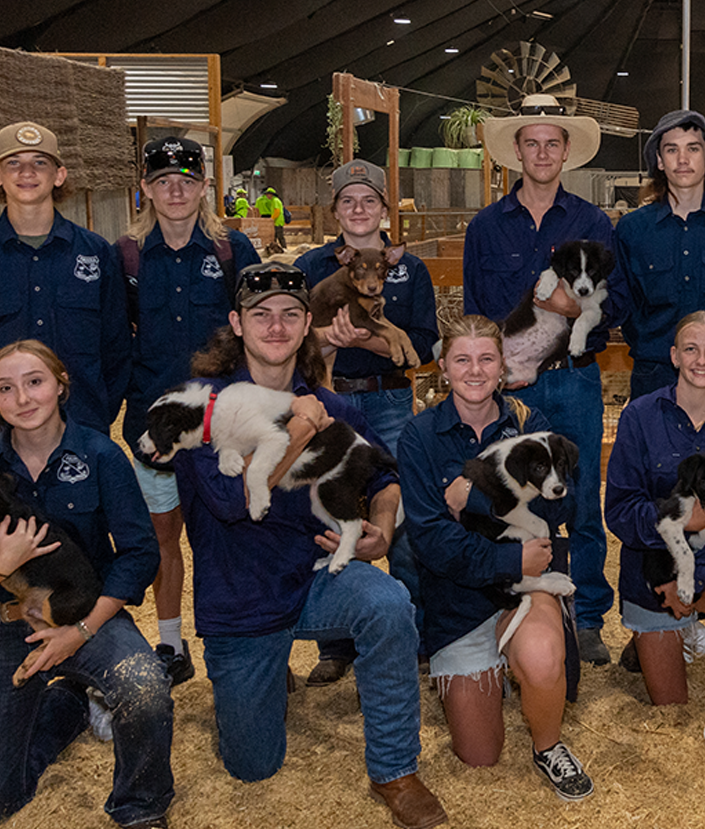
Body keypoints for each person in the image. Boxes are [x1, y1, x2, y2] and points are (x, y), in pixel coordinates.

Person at [171, 262, 446, 829]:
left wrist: (382, 524)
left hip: (318, 577)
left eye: (290, 316)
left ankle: (394, 769)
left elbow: (383, 474)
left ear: (307, 327)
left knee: (389, 603)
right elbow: (230, 502)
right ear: (237, 324)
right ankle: (268, 675)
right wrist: (297, 429)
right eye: (261, 315)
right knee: (253, 767)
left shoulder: (332, 405)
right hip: (241, 598)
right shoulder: (203, 409)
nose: (277, 327)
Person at [399, 315, 592, 801]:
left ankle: (549, 745)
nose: (475, 370)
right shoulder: (420, 437)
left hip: (529, 587)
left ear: (503, 367)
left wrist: (478, 502)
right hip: (460, 598)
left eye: (486, 358)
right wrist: (511, 561)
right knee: (480, 755)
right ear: (443, 368)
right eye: (462, 359)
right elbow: (431, 540)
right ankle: (492, 673)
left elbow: (563, 504)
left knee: (544, 658)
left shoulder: (530, 423)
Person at [466, 93, 627, 666]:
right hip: (511, 383)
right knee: (509, 494)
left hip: (575, 378)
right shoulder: (486, 226)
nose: (541, 152)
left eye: (551, 143)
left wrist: (570, 308)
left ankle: (584, 618)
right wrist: (489, 374)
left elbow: (617, 302)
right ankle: (509, 608)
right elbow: (475, 311)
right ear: (516, 151)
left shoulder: (592, 221)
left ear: (566, 153)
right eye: (531, 142)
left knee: (580, 498)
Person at [0, 340, 173, 828]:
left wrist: (83, 630)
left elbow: (140, 553)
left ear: (60, 385)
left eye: (34, 381)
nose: (22, 398)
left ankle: (139, 805)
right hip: (10, 618)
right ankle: (67, 709)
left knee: (144, 685)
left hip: (89, 610)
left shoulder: (101, 453)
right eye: (5, 388)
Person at [119, 136, 260, 687]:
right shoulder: (126, 256)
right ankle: (172, 644)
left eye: (185, 180)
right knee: (164, 537)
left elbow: (256, 333)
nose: (174, 191)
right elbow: (116, 337)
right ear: (146, 190)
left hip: (221, 425)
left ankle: (248, 638)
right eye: (162, 181)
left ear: (204, 186)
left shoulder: (231, 250)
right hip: (155, 426)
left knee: (229, 533)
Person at [604, 312, 705, 780]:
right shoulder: (639, 416)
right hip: (652, 574)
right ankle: (684, 631)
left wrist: (690, 579)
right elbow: (620, 510)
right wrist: (670, 575)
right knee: (669, 704)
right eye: (690, 349)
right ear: (674, 356)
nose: (701, 360)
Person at [296, 159, 437, 686]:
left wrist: (371, 339)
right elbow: (292, 336)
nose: (359, 210)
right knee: (327, 512)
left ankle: (415, 635)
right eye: (348, 202)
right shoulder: (313, 267)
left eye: (369, 201)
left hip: (391, 401)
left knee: (400, 518)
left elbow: (420, 348)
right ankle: (337, 643)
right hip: (327, 402)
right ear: (335, 211)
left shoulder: (411, 269)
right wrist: (329, 341)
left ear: (384, 208)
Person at [614, 109, 705, 399]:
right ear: (659, 161)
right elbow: (626, 305)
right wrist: (652, 348)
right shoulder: (632, 230)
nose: (682, 159)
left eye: (693, 148)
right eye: (671, 149)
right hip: (654, 375)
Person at [0, 121, 130, 435]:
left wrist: (96, 414)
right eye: (13, 163)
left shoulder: (96, 253)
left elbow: (117, 347)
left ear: (59, 175)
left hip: (82, 427)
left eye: (39, 162)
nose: (26, 172)